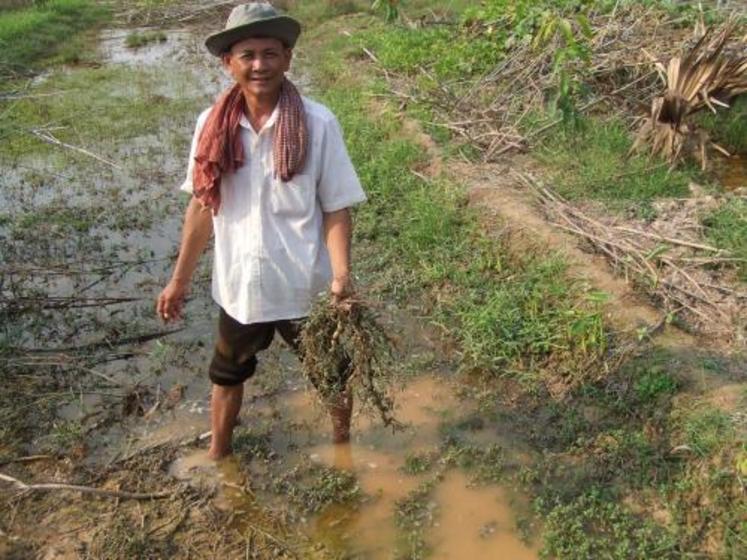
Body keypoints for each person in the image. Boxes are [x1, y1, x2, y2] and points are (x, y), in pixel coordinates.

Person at [156, 2, 366, 460]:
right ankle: (218, 455)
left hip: (303, 285)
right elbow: (201, 205)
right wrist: (179, 280)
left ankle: (342, 452)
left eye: (270, 53)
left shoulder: (318, 123)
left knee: (332, 374)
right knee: (226, 375)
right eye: (247, 54)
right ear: (227, 63)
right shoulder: (211, 127)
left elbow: (336, 208)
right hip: (240, 287)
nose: (259, 65)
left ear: (287, 59)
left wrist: (340, 276)